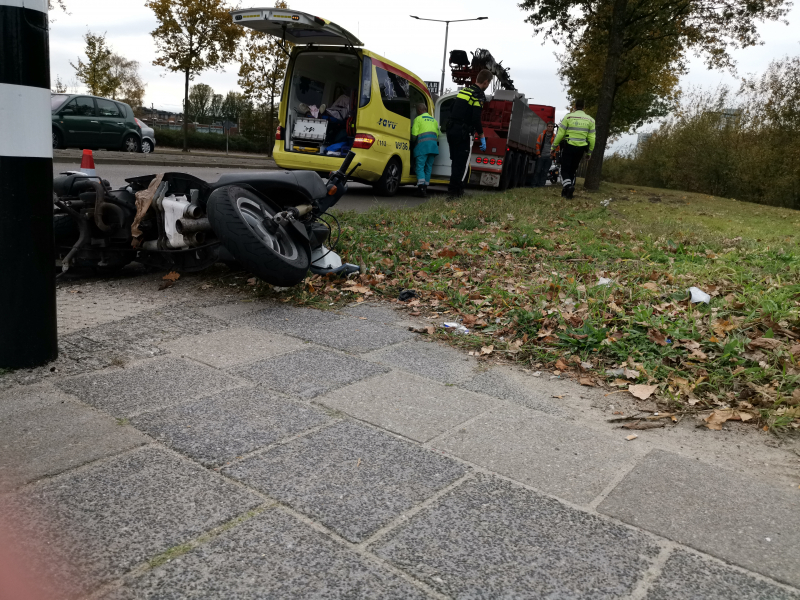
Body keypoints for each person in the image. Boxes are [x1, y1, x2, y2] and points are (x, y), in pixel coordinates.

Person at [446, 69, 493, 198]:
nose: (487, 86)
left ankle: (455, 190)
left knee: (455, 162)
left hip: (451, 130)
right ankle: (455, 193)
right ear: (485, 82)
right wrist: (482, 135)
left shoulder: (464, 91)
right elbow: (475, 118)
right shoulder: (478, 95)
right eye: (488, 84)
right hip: (463, 133)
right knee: (461, 164)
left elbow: (451, 108)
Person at [552, 98, 595, 199]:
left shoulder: (568, 117)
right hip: (581, 148)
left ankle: (568, 186)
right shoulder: (590, 120)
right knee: (573, 170)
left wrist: (554, 146)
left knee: (565, 170)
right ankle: (567, 192)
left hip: (569, 146)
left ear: (574, 107)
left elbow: (560, 134)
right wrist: (589, 152)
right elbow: (592, 138)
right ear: (584, 107)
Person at [411, 103, 440, 197]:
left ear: (419, 110)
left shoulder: (418, 119)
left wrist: (412, 143)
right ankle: (425, 188)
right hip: (433, 147)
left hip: (422, 147)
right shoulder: (434, 120)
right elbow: (437, 135)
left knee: (420, 167)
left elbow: (414, 135)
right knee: (428, 168)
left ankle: (420, 188)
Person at [531, 121, 557, 187]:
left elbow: (557, 147)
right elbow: (537, 145)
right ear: (547, 127)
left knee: (545, 172)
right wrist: (538, 154)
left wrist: (552, 156)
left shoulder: (555, 137)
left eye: (551, 127)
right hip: (541, 156)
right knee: (537, 171)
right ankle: (534, 184)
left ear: (553, 128)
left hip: (549, 157)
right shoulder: (541, 135)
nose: (550, 128)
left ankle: (541, 185)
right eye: (549, 126)